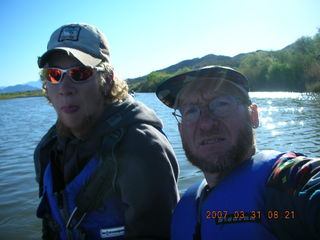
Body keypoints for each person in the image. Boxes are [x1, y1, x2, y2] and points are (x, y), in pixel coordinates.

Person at [34, 23, 179, 240]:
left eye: (80, 73)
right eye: (54, 74)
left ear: (107, 80)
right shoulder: (48, 150)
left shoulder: (143, 148)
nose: (64, 88)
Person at [156, 66, 320, 240]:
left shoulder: (288, 181)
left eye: (221, 104)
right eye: (191, 111)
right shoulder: (186, 206)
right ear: (181, 130)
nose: (206, 124)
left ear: (253, 116)